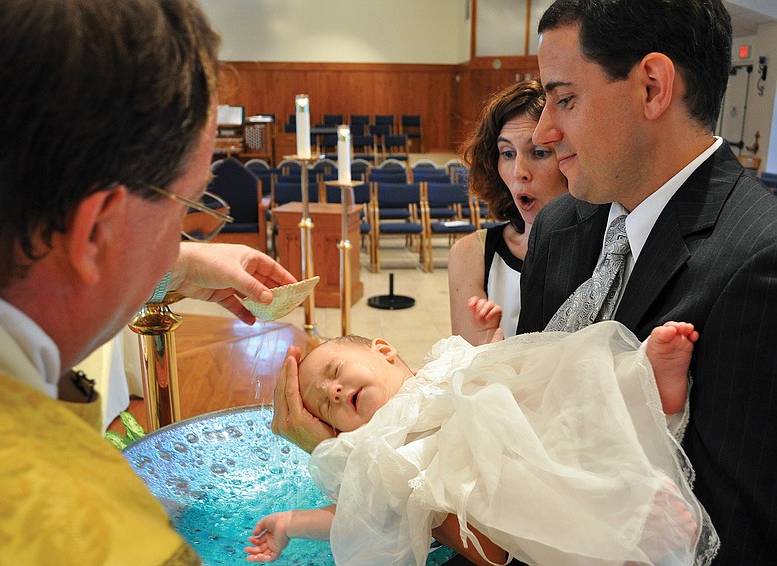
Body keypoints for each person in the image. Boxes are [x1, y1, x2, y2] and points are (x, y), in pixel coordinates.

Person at [0, 1, 296, 563]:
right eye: (185, 209)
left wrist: (174, 267)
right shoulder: (100, 538)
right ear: (95, 229)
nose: (182, 239)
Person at [516, 1, 777, 564]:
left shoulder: (759, 261)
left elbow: (735, 534)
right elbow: (517, 410)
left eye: (565, 98)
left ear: (653, 87)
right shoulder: (560, 226)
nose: (543, 131)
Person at [248, 311, 712, 565]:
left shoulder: (444, 363)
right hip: (493, 486)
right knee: (546, 504)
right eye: (326, 404)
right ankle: (631, 520)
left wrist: (489, 344)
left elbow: (499, 363)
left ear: (385, 352)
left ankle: (643, 382)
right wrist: (289, 521)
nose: (333, 390)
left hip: (519, 417)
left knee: (564, 386)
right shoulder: (371, 449)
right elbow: (354, 514)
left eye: (334, 373)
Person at [448, 80, 568, 343]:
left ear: (571, 158)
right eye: (507, 153)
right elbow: (467, 374)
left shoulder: (608, 247)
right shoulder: (471, 254)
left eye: (539, 152)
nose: (519, 172)